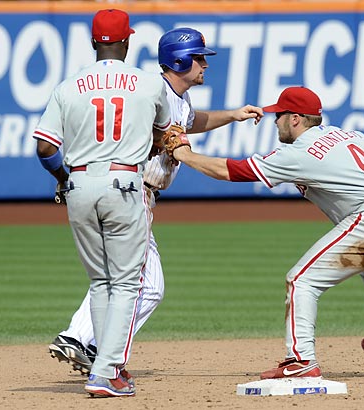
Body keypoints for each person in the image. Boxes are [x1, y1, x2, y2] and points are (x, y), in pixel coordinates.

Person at [166, 86, 364, 379]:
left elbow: (231, 171)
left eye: (279, 116)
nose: (276, 123)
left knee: (301, 281)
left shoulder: (299, 151)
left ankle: (301, 360)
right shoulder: (349, 136)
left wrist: (184, 154)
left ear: (295, 119)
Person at [47, 26, 263, 376]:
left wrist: (233, 115)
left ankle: (86, 341)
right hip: (131, 192)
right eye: (198, 58)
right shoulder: (152, 90)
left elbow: (190, 122)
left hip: (126, 191)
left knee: (121, 279)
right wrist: (163, 141)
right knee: (143, 285)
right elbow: (141, 134)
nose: (204, 65)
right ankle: (88, 344)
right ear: (179, 60)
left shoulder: (175, 96)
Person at [34, 9, 172, 397]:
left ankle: (102, 367)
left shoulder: (68, 86)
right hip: (125, 182)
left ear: (94, 42)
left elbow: (46, 147)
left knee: (100, 281)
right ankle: (105, 373)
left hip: (78, 182)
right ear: (126, 42)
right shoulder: (148, 84)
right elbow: (162, 135)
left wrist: (62, 180)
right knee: (128, 283)